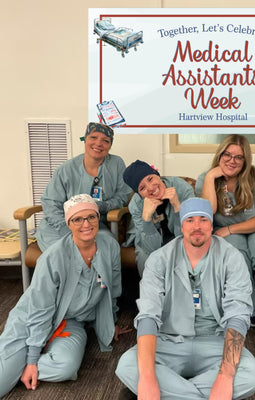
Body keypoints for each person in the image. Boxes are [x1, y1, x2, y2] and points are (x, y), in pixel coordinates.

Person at [115, 198, 255, 400]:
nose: (197, 226)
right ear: (181, 226)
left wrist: (225, 377)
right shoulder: (159, 259)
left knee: (251, 376)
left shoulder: (232, 257)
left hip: (216, 341)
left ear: (212, 225)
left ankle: (172, 392)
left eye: (203, 219)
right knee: (126, 366)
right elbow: (148, 316)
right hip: (168, 341)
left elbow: (238, 315)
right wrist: (148, 378)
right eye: (190, 220)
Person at [0, 194, 131, 397]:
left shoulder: (109, 247)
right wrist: (33, 358)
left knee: (66, 367)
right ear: (68, 223)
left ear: (98, 219)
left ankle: (20, 369)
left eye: (91, 217)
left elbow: (112, 290)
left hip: (71, 323)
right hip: (30, 321)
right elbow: (39, 309)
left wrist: (109, 321)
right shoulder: (52, 257)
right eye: (77, 219)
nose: (86, 224)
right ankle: (20, 367)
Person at [196, 134, 255, 328]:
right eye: (227, 155)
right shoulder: (206, 178)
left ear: (246, 160)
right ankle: (251, 306)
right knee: (236, 253)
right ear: (219, 155)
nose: (232, 160)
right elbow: (206, 212)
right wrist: (212, 176)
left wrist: (229, 229)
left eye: (239, 157)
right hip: (227, 232)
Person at [35, 122, 132, 251]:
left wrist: (104, 206)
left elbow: (122, 196)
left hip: (95, 225)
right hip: (62, 226)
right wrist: (70, 228)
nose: (98, 143)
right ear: (85, 139)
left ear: (109, 146)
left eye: (105, 141)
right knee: (62, 251)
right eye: (93, 137)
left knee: (106, 247)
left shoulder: (116, 164)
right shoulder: (65, 169)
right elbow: (51, 203)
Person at [122, 160, 194, 276]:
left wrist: (177, 207)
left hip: (180, 237)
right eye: (142, 188)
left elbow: (188, 236)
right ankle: (151, 293)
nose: (150, 188)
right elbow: (151, 248)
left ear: (157, 174)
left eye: (150, 179)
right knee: (145, 256)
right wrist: (146, 219)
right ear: (139, 194)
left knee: (185, 252)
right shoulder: (136, 205)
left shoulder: (182, 188)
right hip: (151, 242)